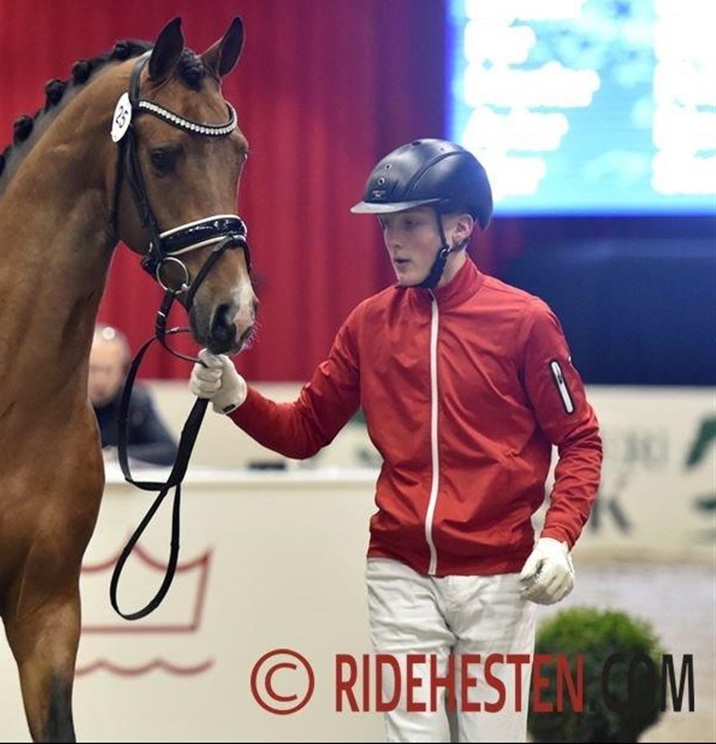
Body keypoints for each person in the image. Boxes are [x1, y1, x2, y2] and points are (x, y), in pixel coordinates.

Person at [189, 139, 603, 742]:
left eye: (410, 224)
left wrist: (559, 537)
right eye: (387, 225)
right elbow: (305, 431)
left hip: (497, 576)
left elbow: (581, 439)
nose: (393, 240)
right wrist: (235, 397)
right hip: (398, 570)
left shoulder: (526, 321)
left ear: (459, 228)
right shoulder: (368, 323)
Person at [89, 324, 179, 467]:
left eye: (108, 370)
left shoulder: (135, 400)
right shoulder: (64, 402)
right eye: (93, 369)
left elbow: (169, 451)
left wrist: (114, 455)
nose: (100, 379)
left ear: (123, 371)